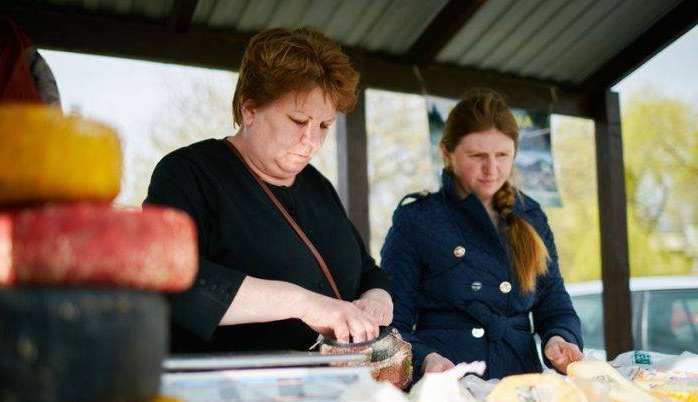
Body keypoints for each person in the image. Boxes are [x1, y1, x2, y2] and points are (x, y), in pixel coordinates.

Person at [144, 27, 393, 354]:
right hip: (227, 384)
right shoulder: (189, 173)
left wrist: (376, 297)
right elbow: (169, 279)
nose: (312, 141)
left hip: (330, 386)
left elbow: (365, 271)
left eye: (323, 126)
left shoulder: (319, 186)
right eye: (297, 120)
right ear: (250, 109)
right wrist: (304, 304)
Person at [380, 89, 583, 380]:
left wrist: (560, 338)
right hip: (450, 384)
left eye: (503, 155)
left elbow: (554, 301)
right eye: (477, 156)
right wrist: (425, 359)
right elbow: (389, 325)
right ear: (446, 153)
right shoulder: (417, 219)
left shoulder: (531, 215)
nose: (492, 169)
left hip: (522, 380)